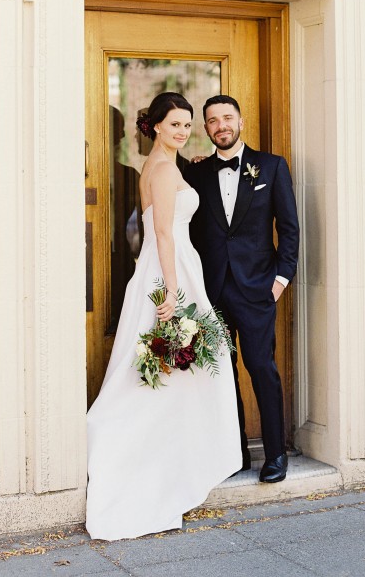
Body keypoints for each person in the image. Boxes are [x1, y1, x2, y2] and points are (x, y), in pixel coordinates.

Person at [86, 92, 241, 541]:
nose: (182, 131)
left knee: (175, 372)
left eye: (187, 124)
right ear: (155, 126)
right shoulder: (162, 169)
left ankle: (179, 463)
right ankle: (156, 465)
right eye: (174, 124)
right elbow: (162, 234)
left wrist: (187, 165)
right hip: (169, 271)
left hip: (169, 267)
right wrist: (173, 290)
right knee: (169, 370)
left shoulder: (162, 167)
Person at [184, 95, 299, 484]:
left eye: (227, 118)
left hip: (257, 291)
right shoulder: (195, 174)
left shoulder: (271, 166)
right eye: (213, 121)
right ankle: (234, 454)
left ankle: (275, 455)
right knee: (221, 374)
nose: (221, 126)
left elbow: (289, 228)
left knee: (262, 369)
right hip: (212, 292)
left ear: (240, 121)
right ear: (206, 129)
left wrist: (280, 280)